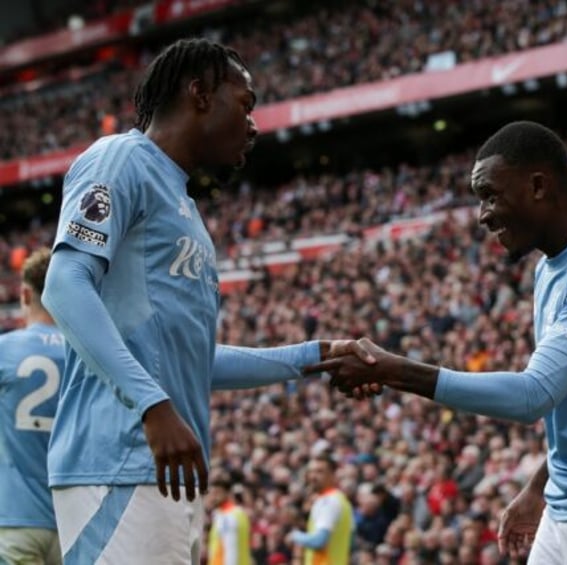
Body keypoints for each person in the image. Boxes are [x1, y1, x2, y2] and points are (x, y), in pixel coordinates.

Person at [307, 121, 567, 564]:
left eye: (491, 195)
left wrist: (390, 369)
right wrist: (539, 486)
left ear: (538, 185)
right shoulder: (553, 266)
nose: (483, 215)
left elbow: (532, 395)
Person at [40, 38, 373, 565]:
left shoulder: (185, 207)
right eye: (245, 104)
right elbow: (63, 285)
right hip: (119, 462)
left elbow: (191, 360)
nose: (254, 124)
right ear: (199, 93)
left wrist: (315, 355)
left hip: (165, 469)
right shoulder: (121, 158)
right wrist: (152, 404)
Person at [0, 248, 64, 565]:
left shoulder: (5, 349)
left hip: (15, 516)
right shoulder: (87, 355)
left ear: (25, 294)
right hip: (75, 517)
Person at [288, 454, 354, 565]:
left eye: (320, 472)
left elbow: (319, 541)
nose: (313, 476)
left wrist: (295, 536)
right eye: (311, 471)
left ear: (332, 475)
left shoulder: (329, 502)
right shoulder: (339, 499)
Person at [207, 474, 251, 565]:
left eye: (217, 493)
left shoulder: (228, 517)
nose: (213, 497)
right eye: (211, 493)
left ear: (228, 494)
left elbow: (231, 550)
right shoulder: (237, 513)